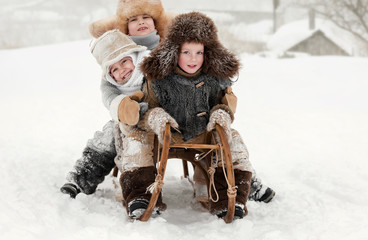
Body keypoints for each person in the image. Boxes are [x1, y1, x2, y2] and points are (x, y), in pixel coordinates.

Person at [61, 0, 275, 204]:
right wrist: (121, 107)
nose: (141, 22)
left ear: (157, 22)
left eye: (147, 17)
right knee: (109, 134)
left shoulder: (173, 48)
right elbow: (108, 92)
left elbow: (195, 67)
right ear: (125, 28)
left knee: (222, 135)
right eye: (134, 19)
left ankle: (246, 183)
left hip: (177, 114)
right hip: (136, 118)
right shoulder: (116, 56)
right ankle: (82, 177)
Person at [118, 11, 259, 220]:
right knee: (136, 142)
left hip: (203, 131)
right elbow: (146, 107)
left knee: (233, 142)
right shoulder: (158, 77)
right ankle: (141, 196)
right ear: (175, 52)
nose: (193, 59)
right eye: (187, 52)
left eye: (199, 53)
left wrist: (221, 114)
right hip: (164, 133)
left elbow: (225, 103)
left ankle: (230, 197)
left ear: (207, 52)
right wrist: (155, 116)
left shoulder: (214, 78)